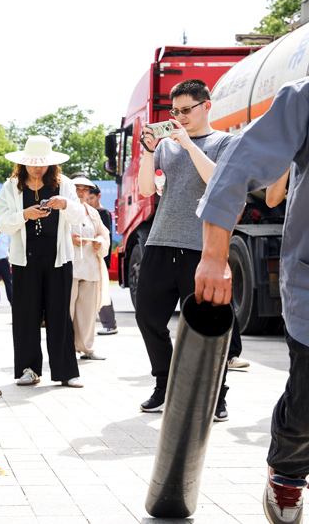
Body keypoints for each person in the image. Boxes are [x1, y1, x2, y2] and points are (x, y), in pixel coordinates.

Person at [194, 77, 309, 524]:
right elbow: (238, 165)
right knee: (305, 405)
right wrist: (214, 256)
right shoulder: (303, 98)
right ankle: (288, 471)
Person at [136, 79, 242, 421]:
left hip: (202, 245)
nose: (179, 117)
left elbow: (218, 182)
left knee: (208, 325)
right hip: (161, 241)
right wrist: (150, 152)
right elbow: (146, 189)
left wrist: (189, 144)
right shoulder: (167, 146)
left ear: (206, 106)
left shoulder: (225, 142)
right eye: (175, 111)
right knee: (148, 316)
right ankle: (164, 384)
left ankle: (216, 395)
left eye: (186, 110)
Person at [0, 136, 84, 388]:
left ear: (50, 163)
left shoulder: (64, 184)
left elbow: (78, 215)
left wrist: (65, 203)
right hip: (25, 260)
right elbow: (2, 222)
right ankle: (29, 369)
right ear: (23, 163)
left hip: (59, 259)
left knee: (60, 315)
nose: (37, 168)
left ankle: (66, 371)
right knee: (25, 314)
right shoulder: (11, 186)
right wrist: (24, 214)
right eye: (32, 163)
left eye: (42, 164)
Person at [69, 176, 110, 361]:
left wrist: (99, 242)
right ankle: (66, 349)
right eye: (77, 187)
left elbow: (103, 234)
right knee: (65, 311)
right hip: (68, 267)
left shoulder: (93, 213)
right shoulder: (64, 209)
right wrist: (69, 239)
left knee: (87, 312)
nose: (80, 192)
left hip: (90, 267)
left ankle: (87, 348)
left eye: (85, 189)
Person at [86, 184, 118, 336]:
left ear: (99, 196)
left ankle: (110, 324)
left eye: (91, 198)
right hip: (91, 256)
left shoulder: (102, 213)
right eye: (88, 198)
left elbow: (105, 237)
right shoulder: (90, 213)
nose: (89, 201)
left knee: (102, 290)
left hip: (100, 256)